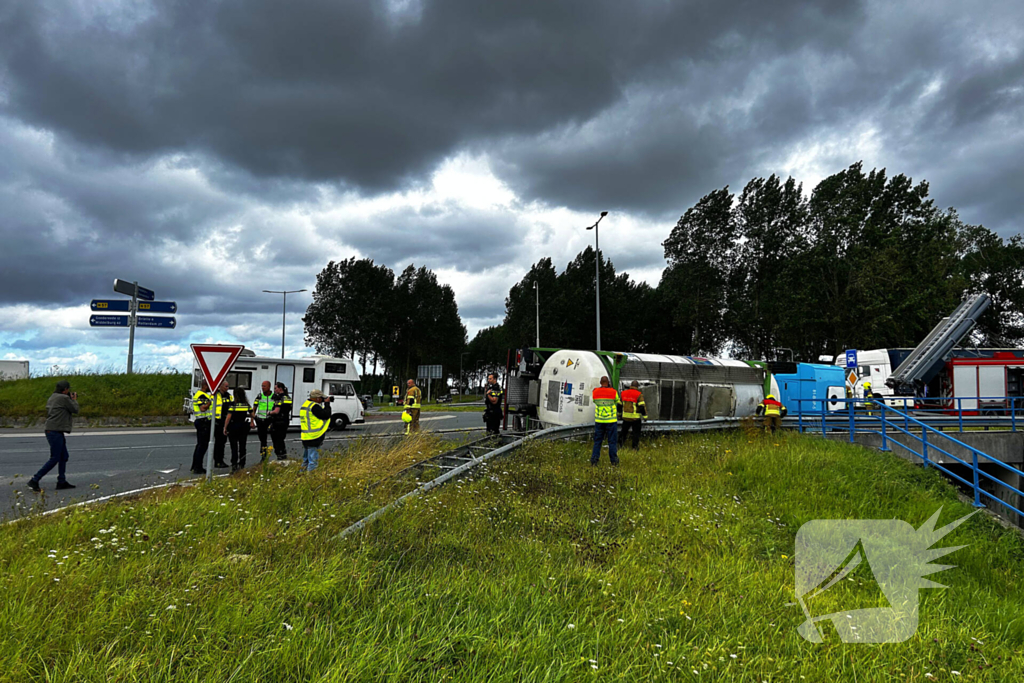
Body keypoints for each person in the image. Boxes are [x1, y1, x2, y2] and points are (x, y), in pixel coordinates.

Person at [28, 380, 80, 492]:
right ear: (65, 389)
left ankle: (61, 481)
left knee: (63, 456)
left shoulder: (53, 397)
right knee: (55, 458)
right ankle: (34, 480)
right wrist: (74, 400)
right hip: (55, 430)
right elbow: (75, 409)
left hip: (52, 429)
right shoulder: (64, 398)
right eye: (68, 389)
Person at [299, 389, 332, 472]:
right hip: (314, 436)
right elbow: (326, 415)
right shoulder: (314, 406)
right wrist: (327, 404)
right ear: (317, 398)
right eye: (321, 398)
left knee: (306, 460)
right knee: (313, 462)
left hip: (306, 436)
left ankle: (301, 476)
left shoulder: (306, 405)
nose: (322, 400)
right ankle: (310, 480)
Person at [591, 376, 620, 466]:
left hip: (599, 420)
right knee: (612, 441)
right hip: (611, 420)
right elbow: (617, 402)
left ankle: (594, 460)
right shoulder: (613, 392)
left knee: (598, 441)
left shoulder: (595, 392)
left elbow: (594, 401)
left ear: (600, 382)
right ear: (608, 382)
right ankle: (614, 461)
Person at [223, 387, 253, 472]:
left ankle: (234, 464)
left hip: (233, 426)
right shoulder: (246, 404)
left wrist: (225, 427)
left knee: (234, 447)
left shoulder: (233, 405)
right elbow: (252, 414)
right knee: (242, 446)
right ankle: (242, 463)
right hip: (243, 426)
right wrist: (252, 421)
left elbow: (228, 417)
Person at [190, 379, 213, 474]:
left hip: (202, 421)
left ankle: (195, 466)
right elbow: (202, 408)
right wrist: (210, 402)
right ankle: (197, 467)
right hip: (202, 421)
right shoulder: (201, 395)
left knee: (200, 445)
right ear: (205, 386)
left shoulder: (202, 394)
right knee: (202, 446)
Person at [618, 380, 647, 450]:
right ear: (637, 386)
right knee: (636, 434)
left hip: (625, 417)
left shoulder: (623, 393)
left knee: (623, 432)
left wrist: (619, 415)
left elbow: (619, 405)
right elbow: (642, 407)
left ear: (630, 385)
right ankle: (634, 447)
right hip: (635, 418)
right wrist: (645, 416)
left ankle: (619, 445)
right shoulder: (639, 394)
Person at [268, 382, 293, 460]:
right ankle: (283, 455)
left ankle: (280, 456)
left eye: (275, 388)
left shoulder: (279, 398)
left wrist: (269, 413)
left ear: (280, 389)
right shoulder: (288, 397)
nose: (274, 390)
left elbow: (276, 411)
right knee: (281, 439)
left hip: (277, 421)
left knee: (276, 440)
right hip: (285, 420)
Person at [251, 381, 275, 461]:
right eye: (262, 386)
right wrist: (252, 420)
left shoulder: (274, 396)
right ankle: (263, 456)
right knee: (262, 440)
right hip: (260, 420)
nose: (262, 387)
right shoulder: (259, 396)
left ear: (269, 387)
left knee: (275, 438)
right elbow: (253, 409)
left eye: (264, 386)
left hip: (270, 420)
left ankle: (279, 454)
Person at [212, 380, 232, 468]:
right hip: (217, 421)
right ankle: (217, 460)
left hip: (225, 421)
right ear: (221, 386)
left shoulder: (229, 396)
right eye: (226, 386)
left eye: (228, 386)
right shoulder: (215, 395)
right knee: (218, 442)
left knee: (222, 442)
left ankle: (220, 460)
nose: (228, 388)